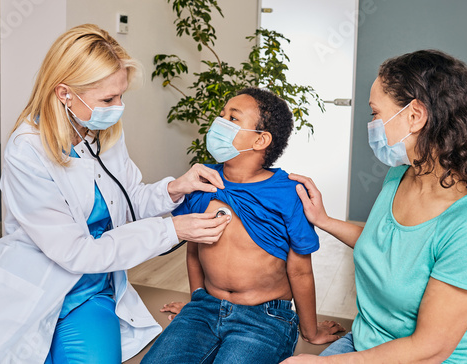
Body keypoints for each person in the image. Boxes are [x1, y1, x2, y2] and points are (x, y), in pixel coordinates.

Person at [0, 24, 231, 364]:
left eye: (121, 95)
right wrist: (173, 230)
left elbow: (128, 201)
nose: (118, 107)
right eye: (108, 99)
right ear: (64, 93)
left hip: (91, 290)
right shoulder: (27, 149)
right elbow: (76, 252)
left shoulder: (102, 134)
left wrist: (175, 187)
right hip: (34, 284)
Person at [282, 49, 467, 363]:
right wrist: (324, 220)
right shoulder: (399, 176)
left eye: (375, 113)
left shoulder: (466, 225)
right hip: (366, 341)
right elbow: (390, 251)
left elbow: (431, 348)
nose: (372, 124)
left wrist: (324, 362)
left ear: (414, 115)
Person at [141, 88, 344, 364]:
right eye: (221, 114)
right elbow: (193, 251)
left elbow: (300, 270)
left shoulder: (288, 193)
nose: (219, 122)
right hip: (205, 308)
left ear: (261, 140)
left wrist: (310, 331)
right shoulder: (201, 181)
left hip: (265, 317)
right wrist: (196, 300)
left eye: (232, 118)